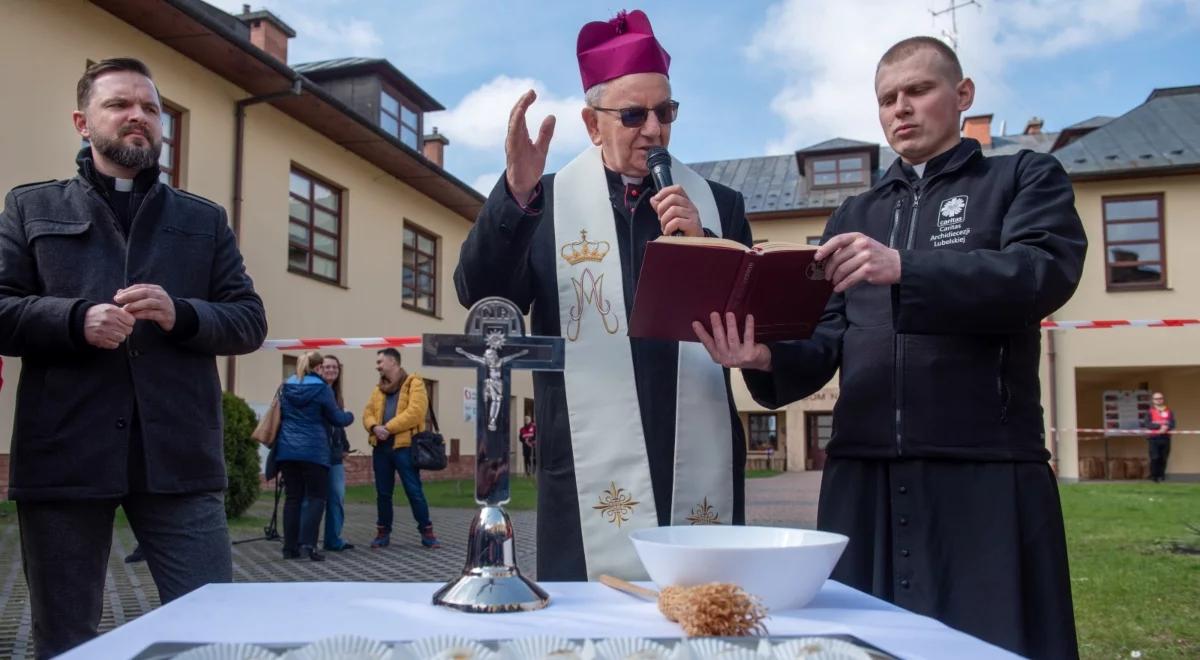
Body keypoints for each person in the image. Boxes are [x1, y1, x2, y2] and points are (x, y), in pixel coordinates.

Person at [695, 37, 1085, 659]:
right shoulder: (856, 210)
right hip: (863, 472)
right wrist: (764, 358)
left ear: (962, 96)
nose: (900, 109)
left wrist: (907, 268)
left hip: (982, 469)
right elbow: (827, 336)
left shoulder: (1022, 176)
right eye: (886, 99)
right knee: (861, 647)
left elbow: (1041, 275)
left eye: (917, 91)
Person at [454, 9, 751, 581]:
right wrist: (513, 194)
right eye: (634, 115)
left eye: (666, 112)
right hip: (589, 459)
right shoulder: (543, 202)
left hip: (697, 443)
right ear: (593, 126)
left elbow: (747, 323)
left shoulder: (719, 205)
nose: (655, 129)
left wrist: (706, 244)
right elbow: (481, 292)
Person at [0, 57, 267, 658]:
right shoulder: (31, 207)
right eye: (120, 105)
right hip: (66, 454)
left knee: (213, 631)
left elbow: (248, 320)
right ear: (82, 121)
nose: (138, 117)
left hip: (178, 456)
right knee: (65, 640)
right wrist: (73, 319)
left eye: (150, 108)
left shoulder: (202, 220)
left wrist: (184, 314)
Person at [276, 351, 354, 562]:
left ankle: (289, 548)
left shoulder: (286, 386)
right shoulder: (321, 388)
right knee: (316, 498)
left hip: (287, 450)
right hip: (314, 451)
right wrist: (350, 415)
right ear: (318, 367)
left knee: (293, 499)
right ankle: (308, 546)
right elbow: (337, 418)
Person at [363, 348, 440, 549]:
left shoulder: (415, 383)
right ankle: (382, 534)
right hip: (381, 448)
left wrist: (387, 428)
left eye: (380, 362)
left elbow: (415, 413)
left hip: (405, 448)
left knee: (414, 491)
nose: (377, 366)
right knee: (383, 493)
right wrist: (374, 427)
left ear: (393, 362)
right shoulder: (378, 388)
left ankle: (427, 533)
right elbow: (368, 413)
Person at [320, 354, 355, 550]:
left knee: (337, 496)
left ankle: (333, 539)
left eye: (334, 367)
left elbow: (338, 425)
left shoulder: (336, 394)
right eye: (327, 367)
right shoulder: (317, 391)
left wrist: (344, 445)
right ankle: (306, 539)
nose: (331, 370)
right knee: (315, 499)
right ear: (319, 369)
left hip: (335, 453)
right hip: (318, 453)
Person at [1145, 391, 1175, 482]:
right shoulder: (1150, 411)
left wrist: (1166, 427)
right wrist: (1159, 427)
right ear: (1153, 400)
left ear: (1163, 399)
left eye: (1160, 398)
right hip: (1154, 438)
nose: (1159, 400)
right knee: (1155, 457)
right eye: (1156, 399)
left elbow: (1172, 424)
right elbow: (1147, 424)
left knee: (1164, 457)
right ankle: (1154, 477)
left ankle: (1161, 476)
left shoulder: (1168, 411)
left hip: (1165, 437)